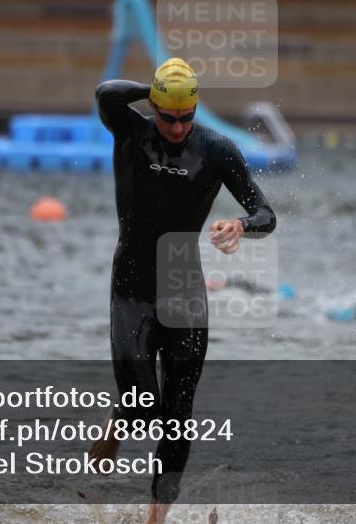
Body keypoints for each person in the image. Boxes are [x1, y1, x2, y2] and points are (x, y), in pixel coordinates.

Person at [91, 58, 276, 524]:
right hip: (131, 284)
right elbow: (106, 92)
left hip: (183, 283)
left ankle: (157, 517)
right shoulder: (130, 131)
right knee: (142, 407)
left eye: (186, 117)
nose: (176, 127)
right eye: (167, 116)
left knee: (177, 412)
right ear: (154, 107)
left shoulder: (217, 149)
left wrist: (241, 225)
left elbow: (265, 213)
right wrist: (158, 88)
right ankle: (120, 422)